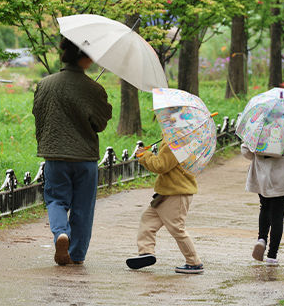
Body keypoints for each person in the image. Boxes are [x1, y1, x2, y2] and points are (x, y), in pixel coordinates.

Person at [32, 38, 113, 266]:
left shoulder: (45, 84)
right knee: (82, 209)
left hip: (55, 156)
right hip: (85, 158)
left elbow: (38, 114)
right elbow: (99, 123)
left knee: (56, 200)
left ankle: (60, 234)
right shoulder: (94, 88)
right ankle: (76, 255)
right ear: (85, 58)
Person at [125, 139, 204, 274]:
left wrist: (145, 156)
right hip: (166, 193)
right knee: (148, 220)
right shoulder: (178, 139)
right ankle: (146, 252)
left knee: (176, 228)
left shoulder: (176, 143)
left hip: (177, 193)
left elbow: (161, 165)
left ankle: (194, 263)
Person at [241, 144, 284, 265]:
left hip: (262, 176)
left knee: (265, 207)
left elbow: (245, 149)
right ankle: (272, 255)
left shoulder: (258, 127)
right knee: (277, 215)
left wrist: (258, 156)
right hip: (282, 177)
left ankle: (262, 239)